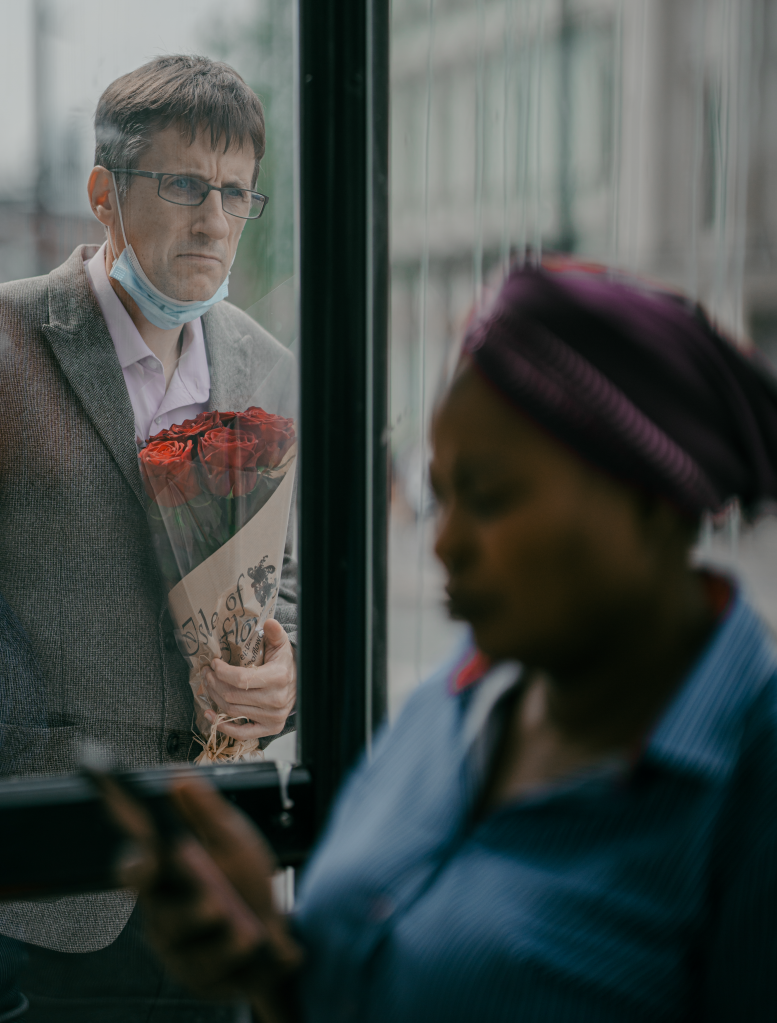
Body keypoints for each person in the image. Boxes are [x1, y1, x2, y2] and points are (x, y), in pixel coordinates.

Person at [110, 261, 777, 1022]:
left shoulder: (749, 793)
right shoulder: (459, 700)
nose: (445, 545)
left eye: (490, 498)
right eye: (443, 494)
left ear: (652, 506)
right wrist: (268, 958)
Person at [0, 55, 296, 1020]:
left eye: (236, 193)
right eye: (185, 184)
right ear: (104, 194)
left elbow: (286, 581)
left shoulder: (263, 365)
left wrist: (286, 670)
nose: (215, 220)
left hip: (211, 876)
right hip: (31, 892)